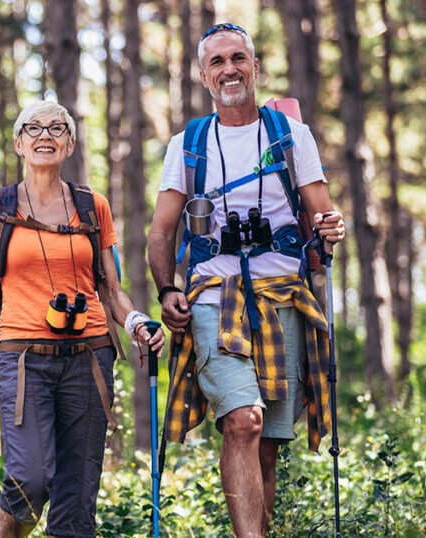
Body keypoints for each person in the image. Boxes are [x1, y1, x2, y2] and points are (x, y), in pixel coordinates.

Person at [147, 23, 345, 537]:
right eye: (217, 62)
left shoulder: (290, 135)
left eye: (238, 58)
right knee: (243, 421)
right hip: (215, 298)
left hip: (284, 298)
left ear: (255, 68)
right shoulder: (187, 144)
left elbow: (324, 218)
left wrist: (331, 228)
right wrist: (168, 290)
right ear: (202, 75)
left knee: (270, 443)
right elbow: (161, 233)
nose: (229, 69)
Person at [0, 100, 164, 538]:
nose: (45, 136)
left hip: (89, 356)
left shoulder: (94, 207)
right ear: (19, 143)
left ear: (69, 144)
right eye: (33, 128)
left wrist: (135, 324)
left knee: (76, 499)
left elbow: (111, 290)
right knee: (30, 479)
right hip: (23, 357)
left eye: (57, 128)